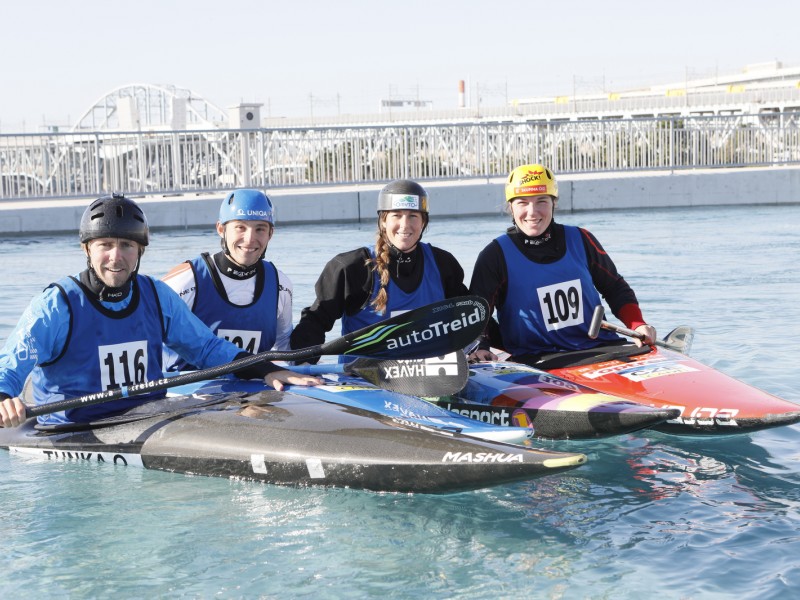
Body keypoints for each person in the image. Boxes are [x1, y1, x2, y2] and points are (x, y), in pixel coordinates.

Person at [0, 193, 317, 429]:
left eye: (127, 246)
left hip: (146, 417)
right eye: (105, 245)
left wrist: (266, 369)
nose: (116, 256)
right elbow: (11, 366)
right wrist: (3, 399)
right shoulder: (57, 305)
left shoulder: (155, 296)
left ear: (139, 250)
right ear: (86, 249)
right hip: (68, 428)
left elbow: (207, 348)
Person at [469, 164, 656, 364]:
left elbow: (615, 287)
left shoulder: (582, 239)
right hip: (536, 361)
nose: (532, 212)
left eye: (541, 201)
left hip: (600, 348)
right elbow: (477, 313)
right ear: (511, 207)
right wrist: (481, 346)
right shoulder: (495, 255)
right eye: (522, 203)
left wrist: (637, 325)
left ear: (553, 203)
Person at [289, 179, 469, 362]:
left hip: (430, 379)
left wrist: (478, 346)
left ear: (424, 222)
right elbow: (315, 322)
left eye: (413, 216)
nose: (405, 225)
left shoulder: (443, 264)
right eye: (396, 215)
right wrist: (303, 365)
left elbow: (466, 317)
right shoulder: (352, 268)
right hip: (365, 382)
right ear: (383, 221)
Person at [161, 189, 308, 375]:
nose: (249, 239)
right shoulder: (185, 280)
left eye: (260, 229)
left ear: (271, 233)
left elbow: (283, 346)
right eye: (240, 227)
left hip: (253, 392)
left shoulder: (281, 284)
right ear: (221, 229)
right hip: (192, 394)